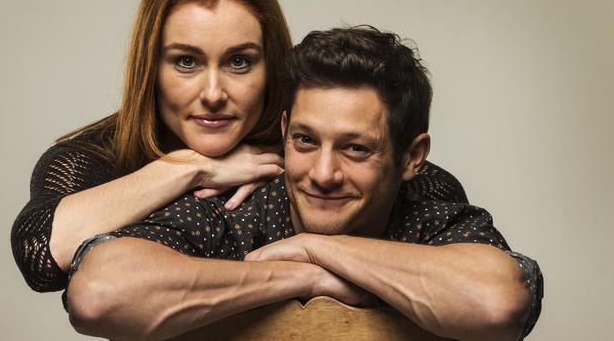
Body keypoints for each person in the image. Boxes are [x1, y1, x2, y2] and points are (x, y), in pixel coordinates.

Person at [65, 26, 542, 341]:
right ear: (285, 130)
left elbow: (497, 304)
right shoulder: (228, 212)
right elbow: (101, 294)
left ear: (412, 157)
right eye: (306, 141)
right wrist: (305, 275)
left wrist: (316, 247)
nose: (323, 174)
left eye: (355, 148)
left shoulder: (435, 218)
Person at [11, 0, 468, 292]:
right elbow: (40, 257)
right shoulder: (92, 157)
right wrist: (191, 168)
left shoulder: (306, 149)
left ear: (272, 66)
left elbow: (433, 189)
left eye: (239, 61)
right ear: (152, 67)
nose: (213, 93)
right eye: (186, 61)